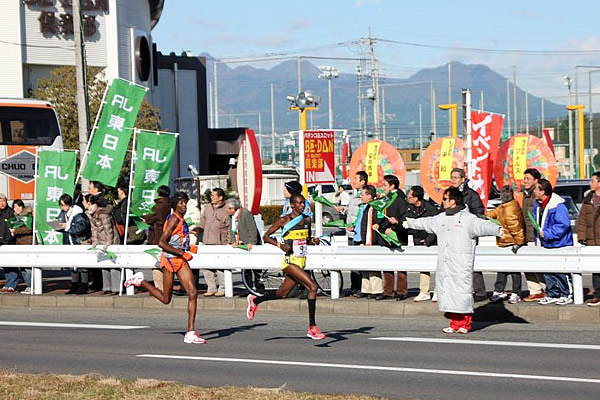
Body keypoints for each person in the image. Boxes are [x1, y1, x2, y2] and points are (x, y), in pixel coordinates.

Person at [405, 187, 502, 334]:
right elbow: (426, 222)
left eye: (445, 199)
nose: (442, 201)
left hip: (461, 263)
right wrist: (409, 223)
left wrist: (497, 230)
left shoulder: (468, 219)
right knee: (448, 293)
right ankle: (454, 323)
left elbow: (482, 225)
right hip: (445, 263)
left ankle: (465, 323)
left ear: (453, 201)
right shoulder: (441, 218)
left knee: (461, 293)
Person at [125, 192, 205, 344]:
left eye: (185, 202)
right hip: (169, 260)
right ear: (175, 205)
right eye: (181, 203)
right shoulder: (174, 218)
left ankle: (190, 332)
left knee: (193, 292)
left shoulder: (181, 220)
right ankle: (140, 281)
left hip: (180, 260)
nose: (184, 205)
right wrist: (181, 252)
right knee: (166, 299)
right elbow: (162, 243)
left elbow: (178, 239)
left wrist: (188, 247)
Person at [246, 193, 325, 340]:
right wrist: (280, 245)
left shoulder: (307, 220)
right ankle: (312, 327)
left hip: (301, 261)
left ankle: (255, 300)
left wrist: (312, 241)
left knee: (282, 294)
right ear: (292, 205)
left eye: (303, 203)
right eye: (299, 203)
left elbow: (306, 239)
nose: (302, 205)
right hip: (290, 262)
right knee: (312, 287)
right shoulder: (284, 220)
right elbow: (265, 237)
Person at [533, 179, 574, 305]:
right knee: (548, 271)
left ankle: (566, 293)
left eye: (536, 189)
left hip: (559, 244)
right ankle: (553, 293)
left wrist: (547, 234)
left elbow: (563, 224)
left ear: (542, 191)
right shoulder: (538, 204)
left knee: (561, 271)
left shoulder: (558, 205)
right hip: (546, 243)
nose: (534, 191)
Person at [449, 167, 487, 301]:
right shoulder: (448, 194)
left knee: (471, 263)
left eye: (456, 177)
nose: (453, 180)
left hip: (467, 233)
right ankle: (460, 291)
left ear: (463, 179)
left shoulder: (471, 194)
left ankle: (480, 291)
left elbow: (479, 212)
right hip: (452, 233)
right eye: (452, 177)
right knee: (454, 264)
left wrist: (467, 219)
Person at [486, 186, 526, 304]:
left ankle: (515, 292)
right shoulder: (504, 206)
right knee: (503, 268)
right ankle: (500, 290)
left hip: (511, 243)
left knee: (513, 270)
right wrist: (485, 216)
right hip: (505, 242)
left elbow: (515, 228)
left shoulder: (509, 210)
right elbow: (494, 213)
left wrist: (519, 243)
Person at [375, 174, 409, 301]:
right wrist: (377, 223)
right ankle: (388, 291)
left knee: (400, 265)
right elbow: (380, 214)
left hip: (397, 235)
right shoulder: (385, 199)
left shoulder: (400, 199)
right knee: (386, 264)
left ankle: (401, 291)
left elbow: (404, 218)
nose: (382, 187)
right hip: (384, 234)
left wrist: (395, 225)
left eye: (385, 185)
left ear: (392, 186)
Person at [406, 185, 440, 302]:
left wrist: (428, 240)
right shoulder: (409, 208)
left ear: (416, 198)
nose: (408, 199)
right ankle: (424, 291)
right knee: (423, 266)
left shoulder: (431, 209)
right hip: (418, 241)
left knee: (437, 267)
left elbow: (436, 227)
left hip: (432, 242)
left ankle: (438, 291)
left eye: (410, 197)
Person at [350, 185, 384, 299]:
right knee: (363, 267)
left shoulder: (375, 207)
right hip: (359, 238)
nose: (361, 196)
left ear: (369, 196)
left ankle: (376, 290)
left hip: (369, 240)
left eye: (363, 194)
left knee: (373, 267)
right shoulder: (363, 207)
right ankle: (366, 289)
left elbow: (377, 221)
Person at [338, 171, 368, 296]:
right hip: (350, 233)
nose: (353, 181)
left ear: (363, 182)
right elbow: (353, 211)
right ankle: (354, 288)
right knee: (352, 262)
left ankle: (360, 288)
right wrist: (343, 209)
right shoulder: (354, 194)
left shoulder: (365, 195)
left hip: (358, 234)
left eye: (356, 179)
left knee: (360, 262)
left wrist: (356, 226)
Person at [86, 193, 121, 295]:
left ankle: (116, 288)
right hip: (101, 242)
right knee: (104, 264)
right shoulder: (92, 214)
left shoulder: (103, 214)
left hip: (112, 242)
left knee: (113, 265)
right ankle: (107, 287)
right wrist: (95, 242)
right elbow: (94, 230)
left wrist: (108, 243)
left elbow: (109, 230)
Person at [520, 168, 547, 302]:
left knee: (538, 265)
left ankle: (546, 289)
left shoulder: (536, 195)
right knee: (528, 265)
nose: (525, 181)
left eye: (528, 179)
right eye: (524, 178)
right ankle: (535, 291)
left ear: (536, 181)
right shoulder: (526, 195)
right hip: (526, 235)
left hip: (535, 236)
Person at [198, 188, 231, 296]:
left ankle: (223, 288)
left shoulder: (226, 209)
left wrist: (229, 241)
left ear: (220, 197)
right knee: (206, 266)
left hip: (220, 242)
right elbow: (203, 221)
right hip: (207, 241)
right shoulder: (208, 207)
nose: (211, 197)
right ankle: (211, 288)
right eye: (211, 195)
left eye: (213, 195)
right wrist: (198, 229)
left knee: (220, 267)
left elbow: (229, 227)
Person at [226, 198, 263, 292]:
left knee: (256, 268)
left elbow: (252, 229)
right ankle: (248, 288)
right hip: (241, 243)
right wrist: (233, 241)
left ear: (232, 208)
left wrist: (252, 243)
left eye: (227, 208)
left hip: (250, 243)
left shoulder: (246, 213)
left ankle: (259, 287)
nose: (226, 210)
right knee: (245, 268)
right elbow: (232, 231)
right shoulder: (232, 217)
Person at [58, 194, 91, 295]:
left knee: (82, 266)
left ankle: (84, 286)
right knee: (73, 265)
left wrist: (67, 226)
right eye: (61, 205)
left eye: (64, 205)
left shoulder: (78, 214)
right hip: (69, 241)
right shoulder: (63, 213)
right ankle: (74, 285)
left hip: (79, 241)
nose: (63, 207)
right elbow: (60, 224)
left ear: (69, 204)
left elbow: (81, 228)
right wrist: (58, 226)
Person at [576, 171, 600, 306]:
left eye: (593, 181)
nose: (590, 183)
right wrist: (582, 237)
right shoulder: (588, 200)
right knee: (596, 271)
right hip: (592, 241)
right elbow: (582, 221)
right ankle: (598, 295)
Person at [144, 185, 171, 290]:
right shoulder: (170, 204)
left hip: (156, 235)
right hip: (167, 235)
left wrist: (146, 218)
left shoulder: (158, 206)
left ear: (159, 193)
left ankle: (160, 288)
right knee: (166, 262)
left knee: (156, 263)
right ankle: (167, 286)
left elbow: (148, 219)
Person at [8, 200, 33, 294]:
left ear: (23, 207)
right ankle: (28, 285)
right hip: (20, 244)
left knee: (28, 267)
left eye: (19, 206)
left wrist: (15, 231)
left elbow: (29, 229)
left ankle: (31, 286)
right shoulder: (15, 218)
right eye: (15, 207)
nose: (17, 209)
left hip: (28, 243)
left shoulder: (28, 216)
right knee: (22, 267)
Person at [0, 193, 16, 292]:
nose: (1, 203)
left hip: (9, 242)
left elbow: (13, 227)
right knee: (5, 264)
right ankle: (8, 283)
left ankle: (12, 284)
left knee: (11, 264)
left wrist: (8, 238)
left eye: (3, 201)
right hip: (1, 242)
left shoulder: (11, 212)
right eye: (0, 201)